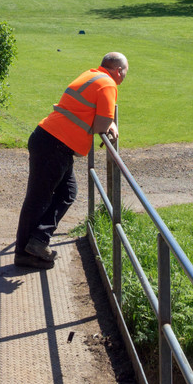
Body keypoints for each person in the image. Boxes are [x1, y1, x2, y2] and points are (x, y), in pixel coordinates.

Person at [15, 52, 128, 269]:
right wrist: (111, 125)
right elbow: (101, 126)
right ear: (119, 71)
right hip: (55, 145)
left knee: (66, 193)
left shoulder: (91, 75)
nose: (124, 78)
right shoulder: (108, 84)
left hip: (50, 140)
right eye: (125, 73)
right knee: (38, 199)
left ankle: (37, 241)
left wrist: (107, 123)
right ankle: (24, 253)